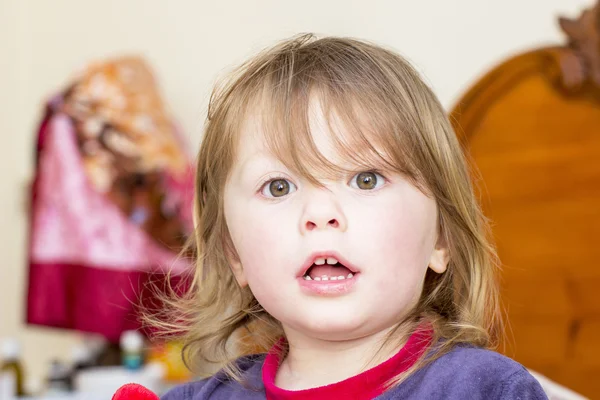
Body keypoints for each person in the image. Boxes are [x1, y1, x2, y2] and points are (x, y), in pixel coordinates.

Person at [159, 34, 547, 399]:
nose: (321, 213)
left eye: (366, 179)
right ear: (233, 253)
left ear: (441, 239)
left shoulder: (487, 391)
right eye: (279, 186)